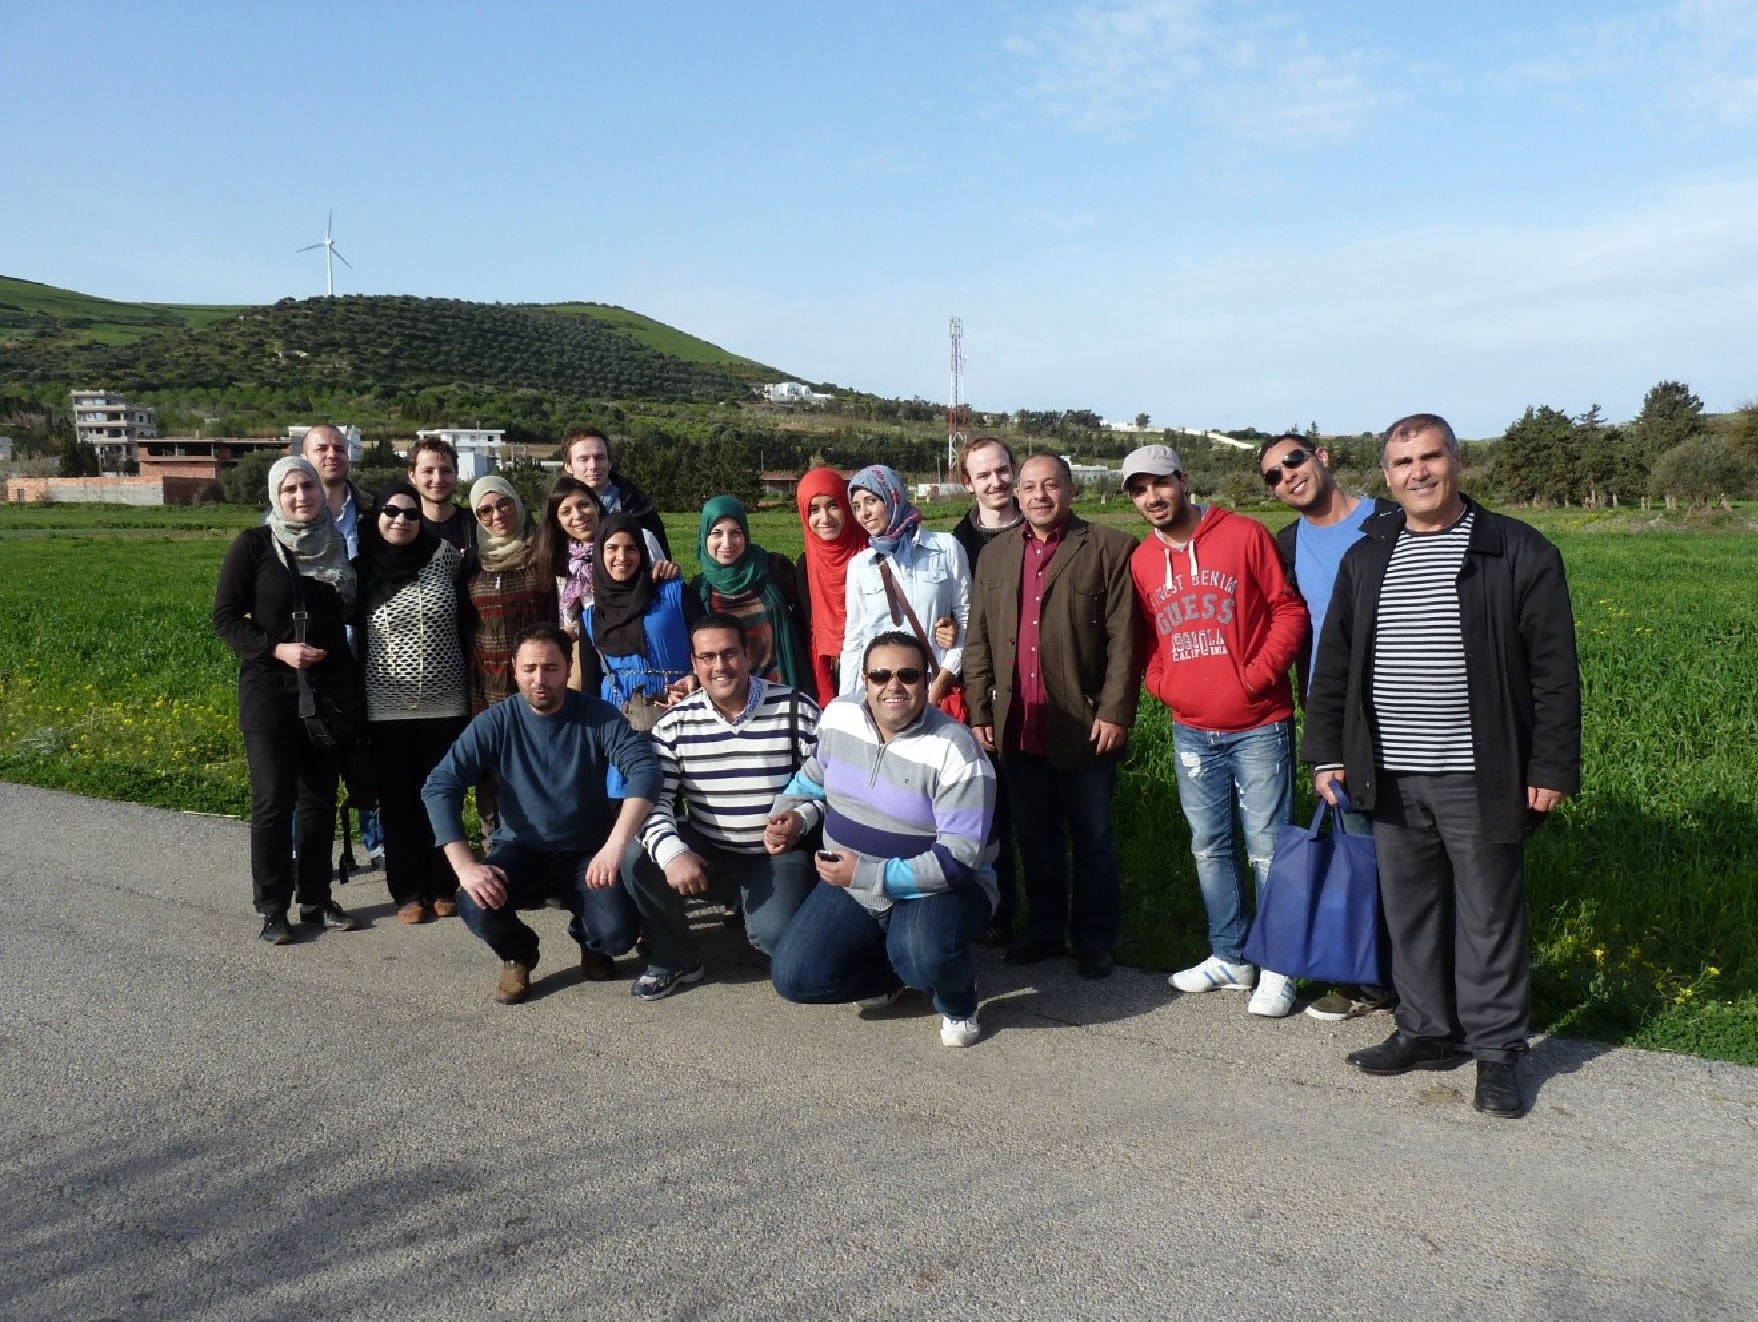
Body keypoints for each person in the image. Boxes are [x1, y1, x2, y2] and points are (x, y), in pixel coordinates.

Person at [1303, 413, 1580, 1119]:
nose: (1418, 473)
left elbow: (1554, 673)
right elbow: (1334, 662)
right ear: (1387, 476)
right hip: (1389, 771)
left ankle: (1496, 1052)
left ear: (1456, 462)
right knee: (1412, 911)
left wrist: (1550, 766)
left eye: (1430, 458)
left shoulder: (1514, 550)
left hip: (1480, 772)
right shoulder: (1369, 554)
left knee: (1489, 915)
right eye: (1403, 463)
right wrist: (1327, 752)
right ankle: (1426, 1031)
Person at [1124, 443, 1309, 1017]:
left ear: (1183, 480)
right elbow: (1151, 637)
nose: (1152, 497)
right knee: (1209, 847)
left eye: (1160, 483)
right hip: (1191, 728)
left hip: (1258, 724)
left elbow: (1289, 611)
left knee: (1269, 850)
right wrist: (1165, 685)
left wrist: (1254, 677)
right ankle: (1230, 956)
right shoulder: (1144, 561)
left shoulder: (1245, 536)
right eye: (1138, 489)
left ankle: (1279, 966)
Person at [766, 632, 997, 1048]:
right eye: (880, 675)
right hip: (851, 882)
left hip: (937, 888)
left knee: (922, 957)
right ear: (865, 679)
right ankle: (898, 969)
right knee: (795, 978)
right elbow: (812, 781)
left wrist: (871, 874)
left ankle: (957, 997)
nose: (893, 686)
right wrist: (792, 818)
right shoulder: (838, 716)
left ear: (927, 681)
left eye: (908, 675)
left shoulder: (956, 749)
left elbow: (960, 858)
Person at [963, 453, 1140, 980]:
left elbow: (1124, 641)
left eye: (1051, 486)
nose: (1040, 496)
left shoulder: (1108, 548)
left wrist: (1114, 712)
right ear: (1016, 495)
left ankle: (1094, 939)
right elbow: (979, 641)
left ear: (1071, 490)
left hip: (1083, 724)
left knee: (1093, 837)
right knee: (1035, 837)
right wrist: (979, 709)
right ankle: (1044, 932)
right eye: (1029, 487)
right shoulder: (994, 557)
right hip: (1018, 723)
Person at [422, 623, 658, 1004]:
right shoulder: (495, 722)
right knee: (473, 899)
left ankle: (589, 937)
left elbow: (644, 770)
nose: (540, 679)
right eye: (530, 668)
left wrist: (615, 846)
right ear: (514, 667)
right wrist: (465, 865)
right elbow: (440, 784)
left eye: (550, 668)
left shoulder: (598, 716)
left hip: (587, 852)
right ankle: (519, 952)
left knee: (616, 935)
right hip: (520, 849)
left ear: (568, 667)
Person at [1260, 432, 1397, 1022]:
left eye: (1293, 460)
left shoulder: (1389, 521)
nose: (1286, 476)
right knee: (1357, 848)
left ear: (1323, 457)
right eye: (1271, 475)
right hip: (1338, 715)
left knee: (1419, 847)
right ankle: (1366, 975)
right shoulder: (1284, 546)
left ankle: (1433, 980)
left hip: (1408, 704)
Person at [622, 614, 821, 999]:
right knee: (638, 853)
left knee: (774, 937)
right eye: (707, 657)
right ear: (694, 664)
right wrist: (672, 853)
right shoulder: (675, 723)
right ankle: (673, 959)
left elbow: (835, 785)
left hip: (776, 853)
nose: (719, 666)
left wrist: (801, 817)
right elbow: (655, 800)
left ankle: (760, 908)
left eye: (729, 654)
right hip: (710, 848)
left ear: (748, 655)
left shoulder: (795, 708)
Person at [213, 455, 364, 944]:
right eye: (290, 490)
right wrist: (276, 648)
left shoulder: (336, 545)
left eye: (309, 487)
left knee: (319, 800)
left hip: (324, 695)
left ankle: (316, 899)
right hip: (270, 693)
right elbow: (226, 617)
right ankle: (274, 907)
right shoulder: (254, 546)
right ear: (276, 496)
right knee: (274, 802)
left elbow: (348, 612)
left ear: (322, 492)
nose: (301, 497)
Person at [357, 479, 470, 925]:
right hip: (386, 705)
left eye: (410, 514)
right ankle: (408, 890)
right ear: (377, 517)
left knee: (443, 794)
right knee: (400, 800)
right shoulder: (362, 568)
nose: (401, 520)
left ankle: (444, 883)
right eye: (391, 511)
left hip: (446, 701)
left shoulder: (444, 559)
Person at [949, 436, 1025, 946]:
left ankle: (1045, 918)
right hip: (986, 690)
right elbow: (954, 610)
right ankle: (999, 910)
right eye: (984, 475)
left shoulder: (1043, 520)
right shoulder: (957, 541)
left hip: (1043, 683)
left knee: (1036, 813)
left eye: (1002, 471)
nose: (996, 482)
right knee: (989, 810)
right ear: (968, 483)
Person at [464, 476, 556, 836]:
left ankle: (549, 847)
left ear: (517, 502)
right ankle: (498, 848)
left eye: (503, 504)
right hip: (489, 680)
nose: (496, 514)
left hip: (539, 676)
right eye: (484, 510)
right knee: (494, 767)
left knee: (543, 763)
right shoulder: (473, 561)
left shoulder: (543, 550)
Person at [838, 465, 969, 708]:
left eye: (871, 501)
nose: (864, 513)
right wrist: (846, 703)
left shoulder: (946, 548)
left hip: (932, 689)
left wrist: (943, 680)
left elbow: (966, 617)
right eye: (856, 506)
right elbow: (855, 639)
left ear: (893, 496)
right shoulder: (860, 566)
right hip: (882, 695)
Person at [686, 495, 811, 691]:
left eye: (735, 533)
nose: (727, 543)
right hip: (731, 695)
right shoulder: (698, 591)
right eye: (717, 533)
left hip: (781, 691)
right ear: (704, 537)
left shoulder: (774, 570)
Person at [578, 513, 693, 715]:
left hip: (679, 712)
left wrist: (695, 678)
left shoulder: (673, 593)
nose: (622, 558)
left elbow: (708, 646)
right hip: (616, 723)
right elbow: (590, 689)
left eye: (631, 548)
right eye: (612, 548)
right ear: (599, 553)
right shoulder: (590, 619)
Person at [792, 467, 867, 705]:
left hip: (876, 666)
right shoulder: (805, 566)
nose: (824, 519)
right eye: (814, 509)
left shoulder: (873, 554)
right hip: (827, 669)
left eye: (832, 505)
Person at [561, 426, 675, 573]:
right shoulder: (557, 515)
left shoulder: (639, 509)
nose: (593, 466)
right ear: (568, 466)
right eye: (584, 459)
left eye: (599, 457)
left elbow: (661, 569)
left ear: (610, 462)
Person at [532, 474, 605, 691]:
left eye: (584, 505)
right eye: (566, 511)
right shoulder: (556, 559)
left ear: (597, 506)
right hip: (577, 652)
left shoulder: (627, 543)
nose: (578, 515)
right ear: (558, 521)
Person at [300, 423, 373, 557]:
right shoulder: (284, 517)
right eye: (321, 449)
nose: (332, 455)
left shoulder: (373, 511)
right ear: (304, 459)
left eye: (339, 449)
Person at [407, 435, 475, 553]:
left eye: (445, 470)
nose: (438, 479)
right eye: (428, 471)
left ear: (456, 472)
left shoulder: (476, 525)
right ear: (412, 476)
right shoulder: (403, 526)